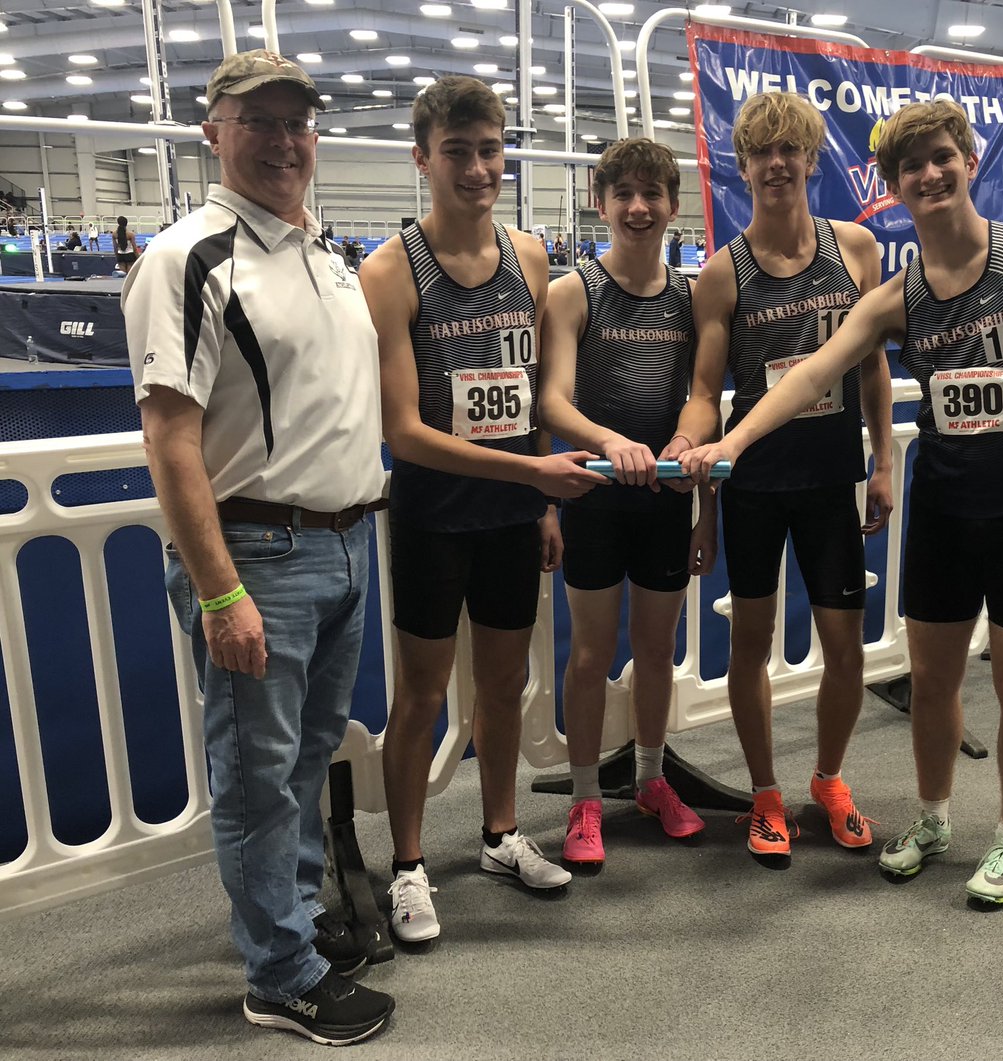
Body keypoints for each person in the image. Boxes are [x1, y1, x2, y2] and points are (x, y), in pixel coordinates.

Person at [680, 99, 1003, 905]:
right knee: (932, 681)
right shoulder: (895, 298)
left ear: (969, 162)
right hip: (943, 511)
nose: (930, 174)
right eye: (912, 167)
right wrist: (731, 442)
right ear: (895, 185)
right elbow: (815, 371)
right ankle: (934, 817)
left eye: (943, 157)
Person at [122, 50, 396, 1044]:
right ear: (214, 132)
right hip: (260, 556)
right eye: (260, 121)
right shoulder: (186, 259)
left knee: (306, 758)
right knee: (255, 772)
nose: (284, 141)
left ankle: (295, 920)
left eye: (298, 122)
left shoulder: (324, 255)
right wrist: (218, 591)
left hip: (345, 545)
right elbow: (170, 436)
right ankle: (279, 973)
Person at [358, 75, 608, 945]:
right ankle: (408, 864)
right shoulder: (389, 271)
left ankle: (501, 835)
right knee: (422, 695)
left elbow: (532, 398)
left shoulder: (530, 257)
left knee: (504, 684)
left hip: (510, 516)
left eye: (490, 150)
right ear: (422, 159)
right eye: (457, 151)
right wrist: (532, 475)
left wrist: (539, 501)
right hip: (434, 516)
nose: (476, 168)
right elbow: (403, 431)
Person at [663, 91, 893, 864]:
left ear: (811, 159)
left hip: (831, 481)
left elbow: (873, 365)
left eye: (789, 149)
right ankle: (765, 793)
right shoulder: (721, 274)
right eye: (761, 151)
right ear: (742, 167)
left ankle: (828, 780)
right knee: (750, 644)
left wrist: (884, 459)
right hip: (756, 486)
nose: (776, 163)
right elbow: (705, 392)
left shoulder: (856, 249)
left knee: (846, 647)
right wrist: (700, 488)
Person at [540, 137, 716, 866]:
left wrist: (687, 453)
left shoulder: (692, 296)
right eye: (624, 194)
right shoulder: (573, 291)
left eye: (652, 194)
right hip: (596, 498)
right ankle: (585, 798)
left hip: (666, 499)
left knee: (656, 649)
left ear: (674, 206)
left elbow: (704, 397)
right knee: (589, 654)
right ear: (600, 203)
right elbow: (552, 400)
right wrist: (611, 441)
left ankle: (649, 779)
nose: (638, 208)